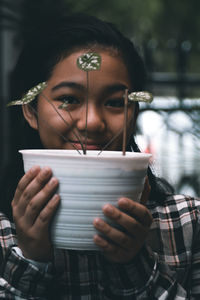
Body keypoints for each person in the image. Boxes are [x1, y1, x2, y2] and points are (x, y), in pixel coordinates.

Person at [0, 13, 199, 300]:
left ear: (135, 113)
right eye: (68, 99)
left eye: (115, 102)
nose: (92, 122)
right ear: (31, 110)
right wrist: (30, 261)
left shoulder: (187, 224)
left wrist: (136, 265)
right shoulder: (6, 232)